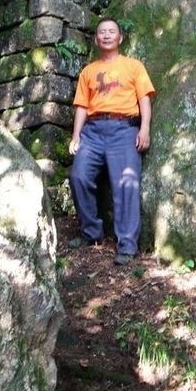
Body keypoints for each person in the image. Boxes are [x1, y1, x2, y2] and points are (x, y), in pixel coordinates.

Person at [68, 18, 155, 265]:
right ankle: (91, 232)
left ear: (120, 38)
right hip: (93, 131)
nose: (106, 35)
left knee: (126, 183)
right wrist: (76, 135)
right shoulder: (88, 71)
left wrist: (144, 129)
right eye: (102, 32)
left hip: (124, 129)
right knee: (79, 177)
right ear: (96, 39)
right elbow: (82, 106)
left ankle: (127, 245)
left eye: (111, 32)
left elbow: (144, 99)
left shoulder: (133, 66)